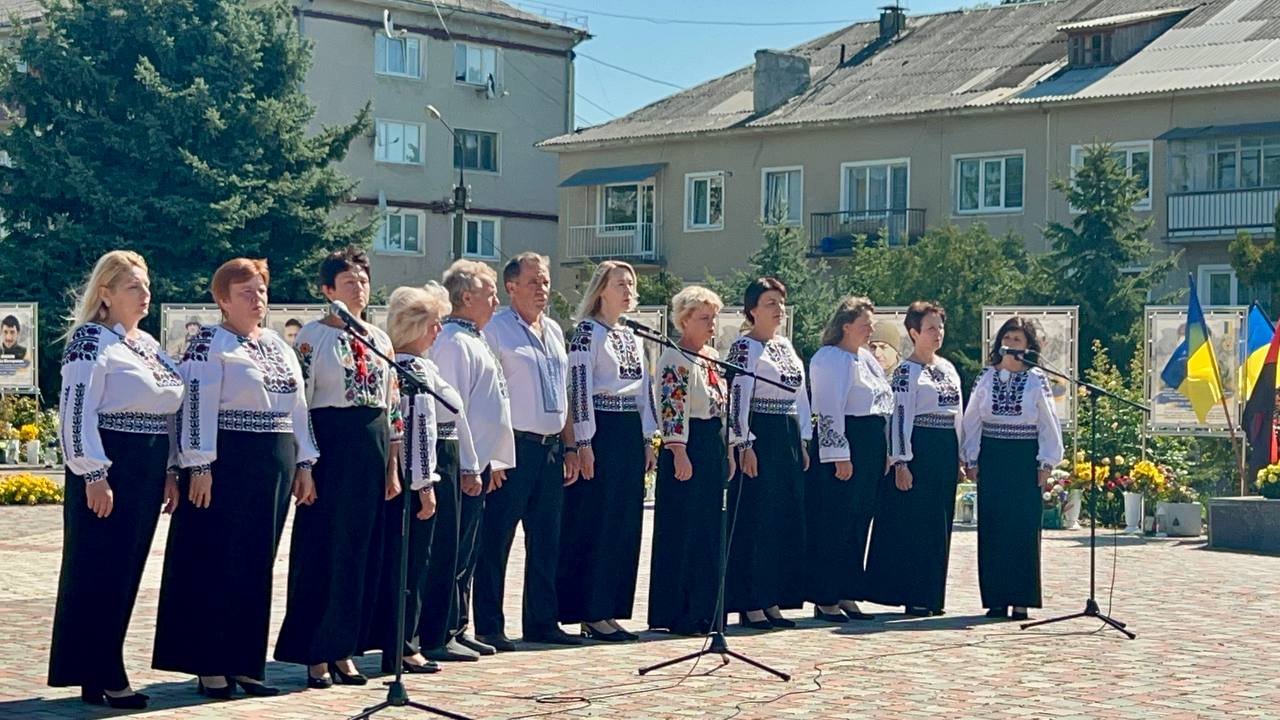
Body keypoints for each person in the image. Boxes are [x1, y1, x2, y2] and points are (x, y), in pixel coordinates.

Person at [153, 258, 318, 698]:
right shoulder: (210, 342)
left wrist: (305, 462)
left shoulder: (278, 344)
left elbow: (298, 406)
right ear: (223, 300)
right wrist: (199, 465)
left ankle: (245, 664)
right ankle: (210, 664)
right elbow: (194, 404)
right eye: (246, 292)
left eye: (261, 290)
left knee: (255, 562)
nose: (257, 298)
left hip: (274, 461)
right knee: (216, 559)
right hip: (227, 460)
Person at [49, 251, 184, 709]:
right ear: (105, 294)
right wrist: (92, 472)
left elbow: (166, 410)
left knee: (126, 571)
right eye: (133, 286)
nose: (146, 294)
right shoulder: (91, 340)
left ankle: (98, 669)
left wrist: (169, 469)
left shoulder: (146, 343)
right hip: (110, 465)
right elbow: (75, 411)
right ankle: (104, 670)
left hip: (146, 467)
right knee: (99, 569)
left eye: (146, 285)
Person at [274, 246, 400, 689]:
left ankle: (344, 647)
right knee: (323, 549)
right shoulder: (312, 337)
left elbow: (392, 405)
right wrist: (305, 463)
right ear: (328, 290)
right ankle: (315, 651)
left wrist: (393, 466)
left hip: (372, 447)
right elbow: (301, 404)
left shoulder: (379, 338)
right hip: (331, 448)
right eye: (349, 282)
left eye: (363, 280)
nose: (359, 288)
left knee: (359, 551)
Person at [475, 253, 583, 650]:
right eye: (534, 282)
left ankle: (542, 621)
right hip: (513, 448)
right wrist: (493, 453)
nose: (542, 289)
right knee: (497, 538)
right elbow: (488, 395)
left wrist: (571, 445)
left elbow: (564, 393)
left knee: (546, 539)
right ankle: (489, 625)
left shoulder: (552, 329)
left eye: (546, 281)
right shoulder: (497, 329)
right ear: (511, 287)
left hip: (550, 448)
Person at [364, 283, 465, 676]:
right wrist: (425, 486)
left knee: (405, 562)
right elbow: (418, 430)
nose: (438, 331)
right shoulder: (413, 369)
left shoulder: (410, 365)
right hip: (416, 476)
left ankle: (402, 642)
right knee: (412, 564)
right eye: (434, 323)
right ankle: (405, 645)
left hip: (408, 473)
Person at [420, 260, 515, 662]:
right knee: (451, 550)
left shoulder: (475, 338)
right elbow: (451, 411)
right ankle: (438, 632)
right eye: (489, 293)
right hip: (461, 461)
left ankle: (458, 625)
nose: (496, 301)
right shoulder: (453, 342)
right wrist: (468, 465)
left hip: (479, 460)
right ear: (465, 297)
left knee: (468, 551)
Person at [561, 260, 657, 642]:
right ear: (601, 289)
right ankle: (592, 610)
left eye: (631, 284)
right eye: (620, 283)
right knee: (597, 520)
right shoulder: (587, 332)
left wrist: (649, 438)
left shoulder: (632, 335)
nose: (628, 290)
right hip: (601, 429)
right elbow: (579, 388)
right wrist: (583, 441)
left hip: (628, 430)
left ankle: (612, 608)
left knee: (624, 520)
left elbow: (645, 391)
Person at [864, 301, 963, 617]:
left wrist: (961, 455)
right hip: (919, 447)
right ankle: (914, 593)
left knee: (939, 522)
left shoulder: (947, 368)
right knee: (917, 522)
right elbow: (899, 417)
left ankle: (933, 595)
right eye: (931, 328)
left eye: (940, 327)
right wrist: (901, 461)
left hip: (945, 447)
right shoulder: (907, 372)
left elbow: (958, 413)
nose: (938, 333)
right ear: (914, 332)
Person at [962, 317, 1063, 621]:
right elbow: (972, 418)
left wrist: (1046, 461)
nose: (1010, 344)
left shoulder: (1036, 379)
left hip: (1024, 458)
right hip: (993, 456)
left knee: (1022, 527)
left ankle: (1021, 600)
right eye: (1007, 338)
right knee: (993, 526)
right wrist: (971, 457)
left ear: (1028, 346)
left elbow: (1048, 421)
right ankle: (996, 599)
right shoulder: (986, 376)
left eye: (1017, 339)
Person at [724, 277, 811, 630]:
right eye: (770, 303)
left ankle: (773, 596)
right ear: (752, 310)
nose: (779, 309)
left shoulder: (785, 347)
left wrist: (803, 440)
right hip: (760, 434)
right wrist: (743, 442)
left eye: (781, 302)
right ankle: (751, 601)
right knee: (756, 518)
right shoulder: (744, 348)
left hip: (786, 433)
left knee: (782, 517)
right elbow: (737, 397)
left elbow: (800, 395)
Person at [647, 285, 732, 636]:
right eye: (704, 318)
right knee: (685, 527)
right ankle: (679, 611)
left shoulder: (711, 356)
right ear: (684, 320)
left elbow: (720, 405)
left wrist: (728, 449)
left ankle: (705, 610)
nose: (711, 324)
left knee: (708, 529)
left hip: (711, 441)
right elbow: (672, 406)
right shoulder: (675, 356)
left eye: (714, 318)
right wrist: (678, 449)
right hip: (686, 443)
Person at [806, 296, 892, 623]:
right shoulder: (831, 358)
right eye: (864, 324)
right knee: (835, 521)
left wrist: (885, 451)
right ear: (846, 326)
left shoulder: (866, 358)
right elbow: (829, 408)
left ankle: (847, 590)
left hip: (870, 443)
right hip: (846, 442)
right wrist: (838, 454)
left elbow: (883, 402)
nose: (870, 330)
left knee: (859, 519)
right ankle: (825, 595)